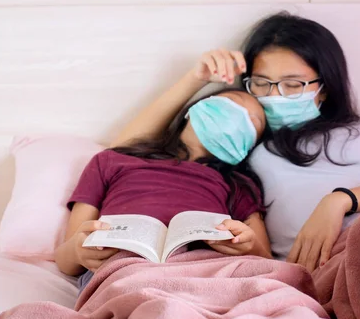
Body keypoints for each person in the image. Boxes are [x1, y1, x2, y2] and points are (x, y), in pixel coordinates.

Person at [112, 12, 360, 273]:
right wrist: (194, 79)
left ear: (324, 86)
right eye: (263, 84)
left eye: (293, 84)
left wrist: (338, 201)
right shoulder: (250, 141)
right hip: (319, 267)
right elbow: (125, 152)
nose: (276, 96)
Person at [55, 88, 272, 286]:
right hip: (122, 267)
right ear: (198, 107)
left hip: (204, 272)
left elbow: (267, 263)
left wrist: (247, 245)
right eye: (233, 102)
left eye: (254, 120)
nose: (239, 116)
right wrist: (78, 251)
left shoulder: (239, 184)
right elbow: (67, 260)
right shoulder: (112, 160)